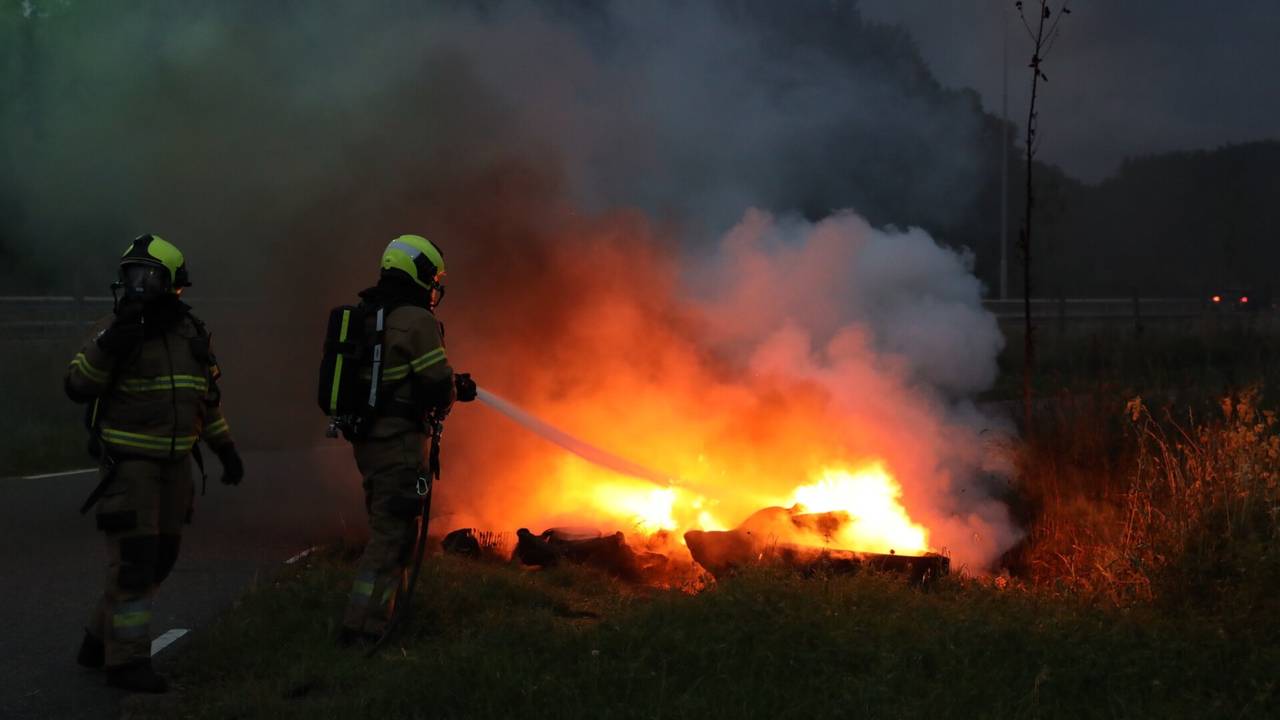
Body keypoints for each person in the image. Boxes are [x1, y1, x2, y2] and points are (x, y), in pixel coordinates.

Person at [66, 234, 244, 693]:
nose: (138, 284)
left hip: (177, 466)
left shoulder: (192, 335)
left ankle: (96, 639)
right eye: (131, 275)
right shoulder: (114, 329)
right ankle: (126, 664)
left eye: (150, 275)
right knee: (134, 562)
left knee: (161, 559)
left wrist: (225, 449)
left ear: (175, 283)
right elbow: (78, 383)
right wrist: (111, 342)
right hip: (130, 468)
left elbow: (205, 400)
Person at [339, 234, 476, 646]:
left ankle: (381, 619)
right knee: (393, 537)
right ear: (419, 275)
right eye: (432, 277)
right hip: (399, 444)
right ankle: (363, 629)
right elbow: (435, 384)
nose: (434, 286)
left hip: (371, 441)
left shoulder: (371, 314)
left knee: (390, 530)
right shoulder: (416, 320)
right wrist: (456, 387)